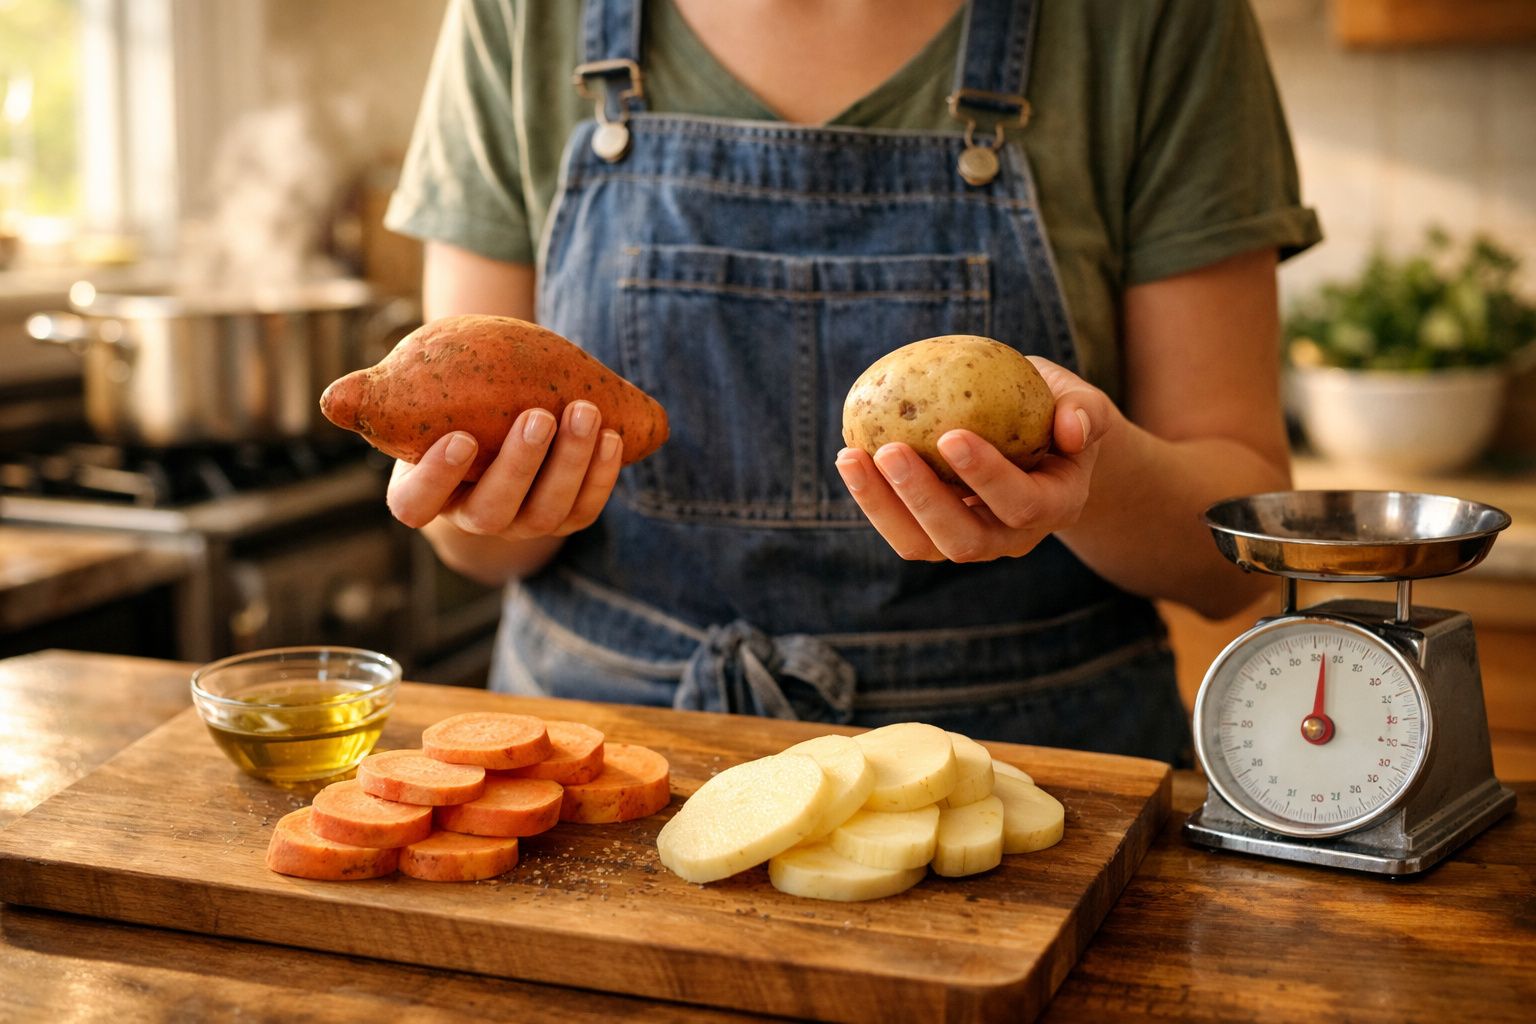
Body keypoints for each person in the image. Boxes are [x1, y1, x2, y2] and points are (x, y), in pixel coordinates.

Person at [382, 0, 1321, 765]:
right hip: (611, 761)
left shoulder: (1154, 20)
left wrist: (1090, 473)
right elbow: (477, 551)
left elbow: (1230, 555)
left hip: (1024, 777)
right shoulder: (519, 16)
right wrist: (483, 509)